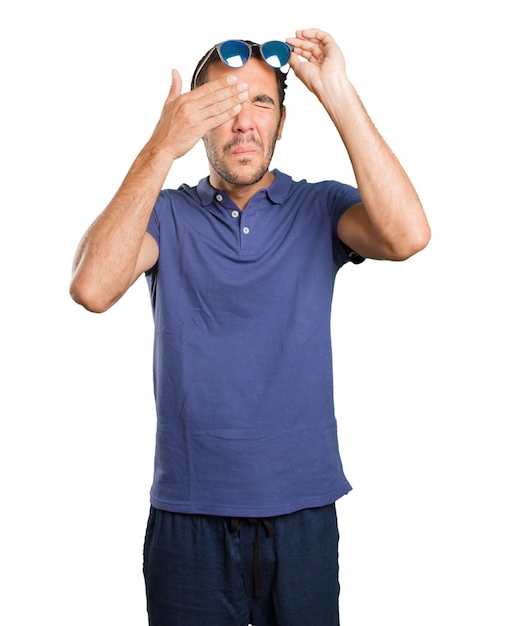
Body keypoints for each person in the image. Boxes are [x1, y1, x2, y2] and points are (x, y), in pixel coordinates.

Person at [70, 28, 430, 626]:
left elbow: (408, 235)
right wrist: (161, 147)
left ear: (282, 122)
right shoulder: (164, 214)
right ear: (197, 122)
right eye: (223, 104)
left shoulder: (319, 208)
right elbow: (91, 287)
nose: (243, 122)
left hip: (303, 516)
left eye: (261, 103)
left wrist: (337, 91)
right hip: (187, 518)